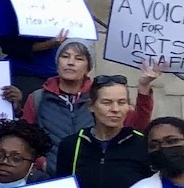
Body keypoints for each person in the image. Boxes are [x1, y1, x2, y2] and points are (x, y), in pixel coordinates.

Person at [20, 43, 154, 147]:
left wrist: (144, 88)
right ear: (57, 62)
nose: (70, 62)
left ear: (88, 67)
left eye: (79, 58)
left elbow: (138, 126)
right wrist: (42, 163)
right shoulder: (37, 98)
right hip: (51, 177)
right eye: (65, 56)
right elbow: (25, 138)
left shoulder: (102, 96)